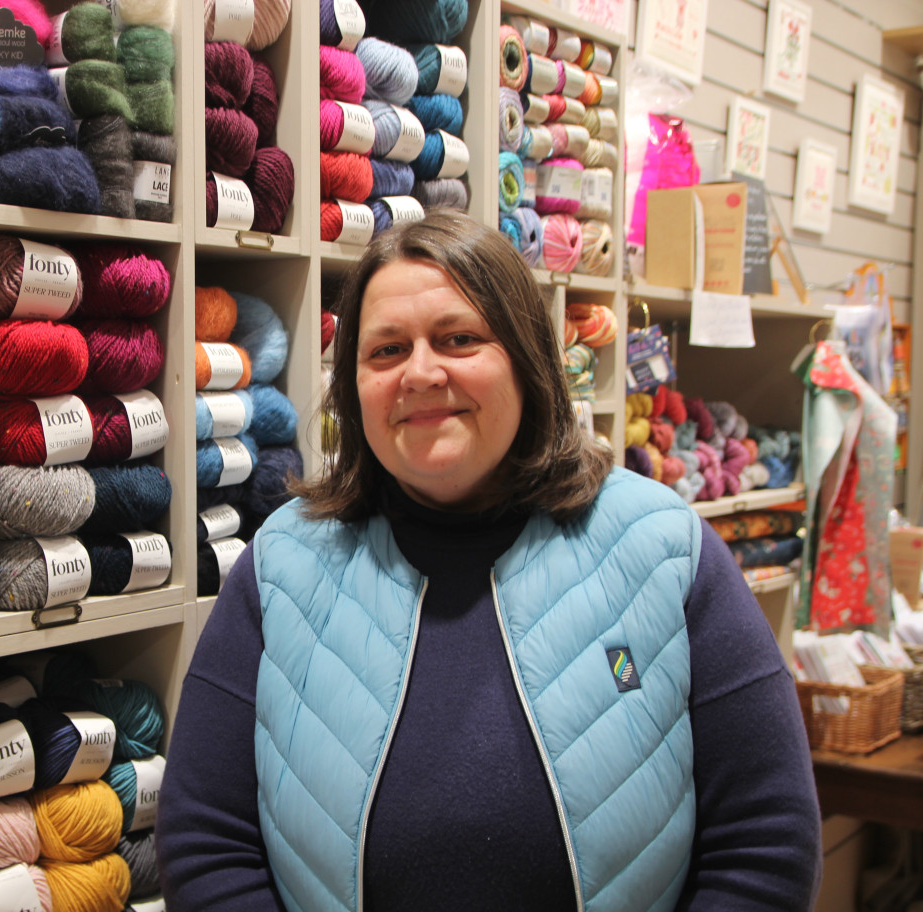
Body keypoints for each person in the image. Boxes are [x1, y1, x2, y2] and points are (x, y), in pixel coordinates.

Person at [156, 210, 822, 912]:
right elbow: (206, 838)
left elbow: (765, 834)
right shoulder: (284, 565)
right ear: (353, 387)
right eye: (385, 351)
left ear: (527, 360)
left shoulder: (662, 548)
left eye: (459, 339)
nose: (420, 372)